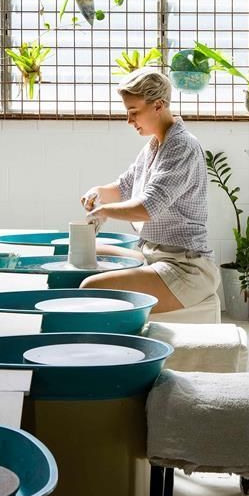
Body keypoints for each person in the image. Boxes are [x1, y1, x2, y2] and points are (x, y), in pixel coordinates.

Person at [79, 68, 220, 313]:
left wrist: (104, 211)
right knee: (82, 253)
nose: (129, 120)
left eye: (134, 112)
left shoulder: (182, 146)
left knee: (91, 286)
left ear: (159, 105)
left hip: (185, 267)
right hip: (151, 253)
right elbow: (125, 186)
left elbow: (147, 207)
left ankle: (113, 348)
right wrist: (98, 192)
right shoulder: (155, 144)